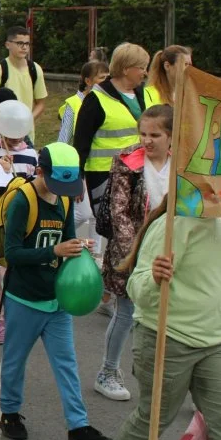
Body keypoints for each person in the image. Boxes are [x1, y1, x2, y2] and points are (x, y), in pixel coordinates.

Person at [105, 199, 221, 440]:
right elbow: (137, 287)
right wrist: (155, 278)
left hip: (216, 342)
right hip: (168, 338)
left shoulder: (219, 224)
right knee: (153, 421)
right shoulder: (170, 225)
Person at [0, 142, 112, 440]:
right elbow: (12, 254)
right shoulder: (23, 201)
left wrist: (78, 247)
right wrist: (55, 251)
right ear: (40, 171)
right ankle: (9, 413)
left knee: (67, 364)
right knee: (14, 361)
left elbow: (66, 238)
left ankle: (78, 427)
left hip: (56, 298)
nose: (64, 190)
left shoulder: (62, 200)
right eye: (58, 182)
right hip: (24, 298)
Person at [94, 106, 172, 402]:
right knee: (126, 312)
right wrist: (135, 254)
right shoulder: (128, 160)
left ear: (171, 137)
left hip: (171, 249)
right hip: (133, 250)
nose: (147, 140)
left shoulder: (183, 162)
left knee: (168, 316)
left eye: (155, 135)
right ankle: (108, 371)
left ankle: (167, 376)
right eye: (143, 133)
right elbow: (119, 211)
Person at [73, 42, 149, 221]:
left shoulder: (144, 93)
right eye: (141, 67)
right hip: (105, 175)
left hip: (139, 172)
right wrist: (77, 177)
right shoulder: (95, 99)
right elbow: (81, 143)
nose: (145, 72)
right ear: (126, 69)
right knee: (116, 228)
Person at [0, 130, 39, 346]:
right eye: (11, 132)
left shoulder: (32, 154)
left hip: (21, 222)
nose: (16, 137)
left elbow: (34, 185)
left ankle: (11, 319)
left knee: (17, 273)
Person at [0, 26, 48, 143]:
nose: (24, 47)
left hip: (26, 136)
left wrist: (26, 121)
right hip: (1, 138)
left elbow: (41, 103)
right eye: (20, 43)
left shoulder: (35, 69)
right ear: (8, 45)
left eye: (27, 44)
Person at [57, 60, 109, 145]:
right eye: (102, 78)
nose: (107, 81)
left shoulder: (112, 100)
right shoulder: (74, 103)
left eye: (108, 77)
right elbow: (63, 141)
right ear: (88, 81)